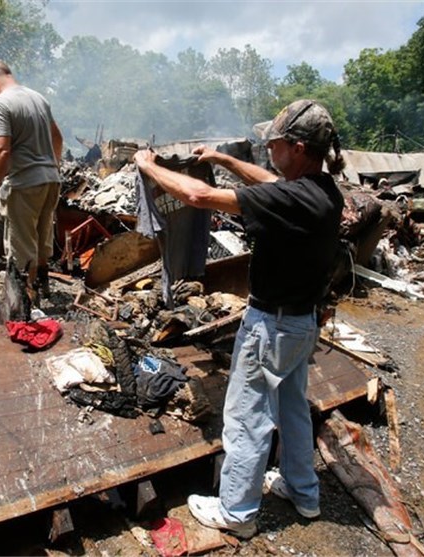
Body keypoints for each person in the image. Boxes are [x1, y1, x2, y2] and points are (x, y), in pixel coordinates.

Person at [134, 99, 346, 539]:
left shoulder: (293, 198)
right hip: (302, 324)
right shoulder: (322, 191)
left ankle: (237, 512)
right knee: (292, 410)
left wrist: (148, 166)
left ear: (299, 147)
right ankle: (302, 492)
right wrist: (223, 159)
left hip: (272, 326)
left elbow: (197, 196)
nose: (270, 148)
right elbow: (268, 182)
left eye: (276, 142)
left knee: (246, 416)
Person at [0, 59, 63, 301]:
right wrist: (52, 166)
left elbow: (1, 151)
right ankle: (44, 287)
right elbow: (57, 137)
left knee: (22, 247)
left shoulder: (0, 104)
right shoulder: (38, 98)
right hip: (50, 181)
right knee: (41, 236)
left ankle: (27, 303)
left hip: (25, 184)